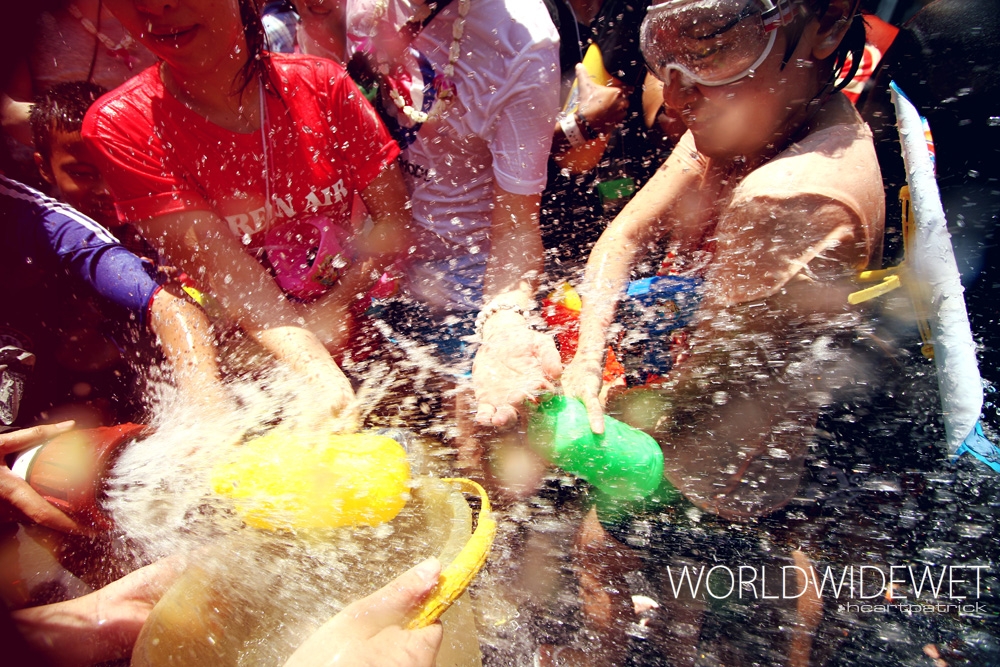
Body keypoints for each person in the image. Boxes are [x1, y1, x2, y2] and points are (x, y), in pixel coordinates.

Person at [550, 0, 883, 664]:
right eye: (665, 52)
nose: (675, 95)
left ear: (826, 25)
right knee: (686, 601)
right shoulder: (747, 107)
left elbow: (703, 397)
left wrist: (570, 404)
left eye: (710, 46)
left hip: (725, 471)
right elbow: (623, 233)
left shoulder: (790, 196)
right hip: (760, 450)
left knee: (606, 557)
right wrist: (587, 356)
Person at [83, 0, 415, 434]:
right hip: (243, 361)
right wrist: (315, 367)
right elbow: (234, 281)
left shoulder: (323, 85)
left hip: (359, 328)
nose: (157, 7)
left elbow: (393, 224)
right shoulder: (121, 126)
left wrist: (336, 308)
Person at [343, 0, 561, 494]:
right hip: (361, 256)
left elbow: (516, 228)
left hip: (465, 275)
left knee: (482, 453)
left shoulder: (523, 42)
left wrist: (503, 320)